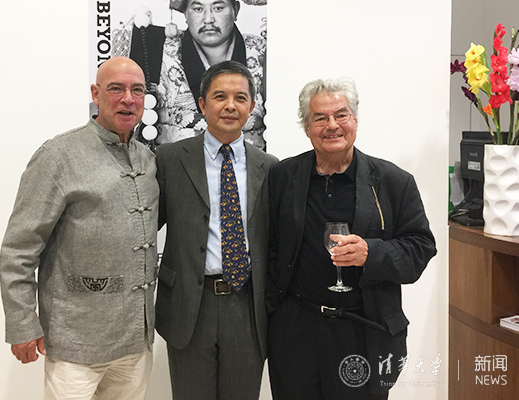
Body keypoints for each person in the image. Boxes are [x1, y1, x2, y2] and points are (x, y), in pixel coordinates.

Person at [266, 77, 437, 399]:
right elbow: (269, 246)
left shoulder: (393, 181)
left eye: (341, 115)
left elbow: (421, 247)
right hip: (296, 334)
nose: (332, 125)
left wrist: (371, 253)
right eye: (320, 118)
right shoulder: (283, 176)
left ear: (355, 120)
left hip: (364, 330)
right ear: (307, 127)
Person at [0, 57, 159, 400]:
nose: (128, 99)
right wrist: (22, 323)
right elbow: (19, 248)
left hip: (135, 341)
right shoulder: (58, 156)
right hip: (75, 342)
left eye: (137, 90)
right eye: (116, 88)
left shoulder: (148, 160)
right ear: (95, 94)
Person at [155, 60, 277, 400]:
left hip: (246, 306)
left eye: (240, 98)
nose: (230, 106)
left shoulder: (269, 167)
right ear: (202, 104)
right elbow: (145, 226)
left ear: (252, 107)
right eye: (220, 96)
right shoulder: (169, 159)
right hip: (189, 306)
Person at [113, 0, 267, 148]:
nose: (208, 19)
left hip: (248, 162)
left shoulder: (263, 51)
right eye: (198, 9)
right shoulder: (155, 48)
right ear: (185, 13)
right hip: (172, 163)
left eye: (218, 8)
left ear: (236, 10)